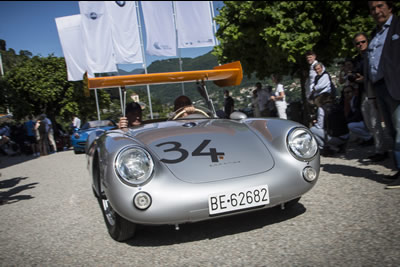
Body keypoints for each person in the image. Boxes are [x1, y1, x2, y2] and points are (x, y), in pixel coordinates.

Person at [366, 1, 400, 189]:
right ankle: (399, 169)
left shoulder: (397, 27)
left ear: (390, 7)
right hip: (380, 86)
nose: (376, 11)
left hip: (395, 86)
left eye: (380, 6)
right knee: (392, 130)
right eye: (373, 9)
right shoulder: (375, 34)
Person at [353, 32, 388, 162]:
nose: (360, 45)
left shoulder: (373, 55)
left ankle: (381, 150)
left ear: (367, 42)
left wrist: (364, 79)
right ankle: (379, 147)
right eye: (357, 43)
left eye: (363, 42)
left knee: (375, 122)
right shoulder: (358, 59)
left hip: (373, 93)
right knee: (369, 124)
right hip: (363, 93)